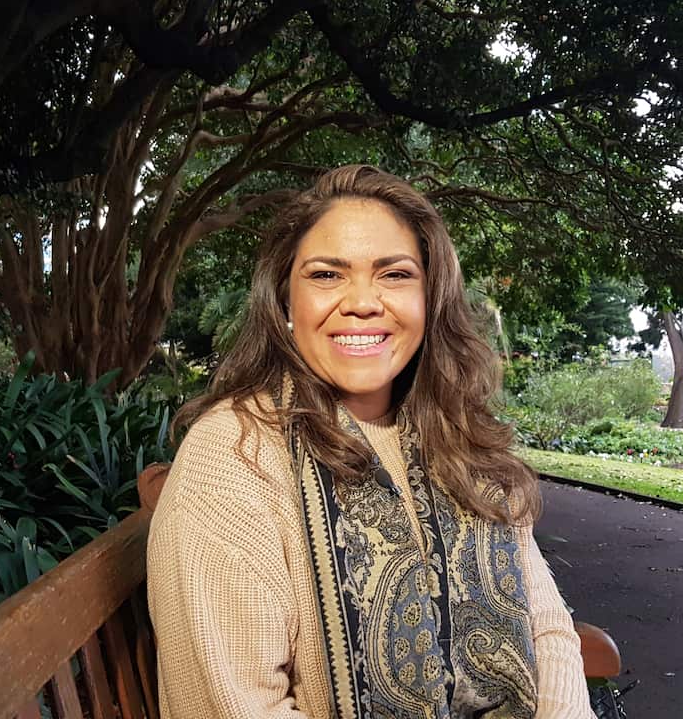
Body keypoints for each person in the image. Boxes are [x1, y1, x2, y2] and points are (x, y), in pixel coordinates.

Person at [147, 165, 594, 719]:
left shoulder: (458, 439)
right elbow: (229, 706)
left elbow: (546, 629)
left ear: (430, 300)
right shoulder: (235, 456)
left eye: (395, 274)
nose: (362, 301)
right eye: (327, 275)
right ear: (285, 301)